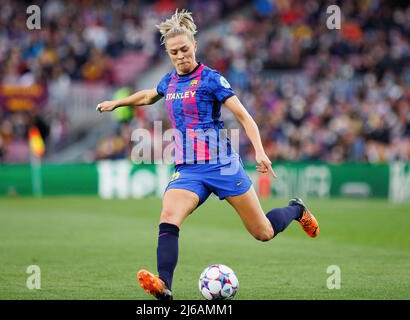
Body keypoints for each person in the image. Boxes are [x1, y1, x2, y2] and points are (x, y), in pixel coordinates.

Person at [96, 9, 319, 300]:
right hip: (188, 169)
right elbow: (150, 95)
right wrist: (117, 102)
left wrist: (261, 152)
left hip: (222, 165)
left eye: (185, 50)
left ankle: (297, 210)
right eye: (174, 52)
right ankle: (164, 285)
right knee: (168, 216)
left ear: (195, 46)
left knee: (262, 232)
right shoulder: (170, 81)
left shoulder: (211, 79)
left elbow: (244, 116)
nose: (180, 56)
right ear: (168, 52)